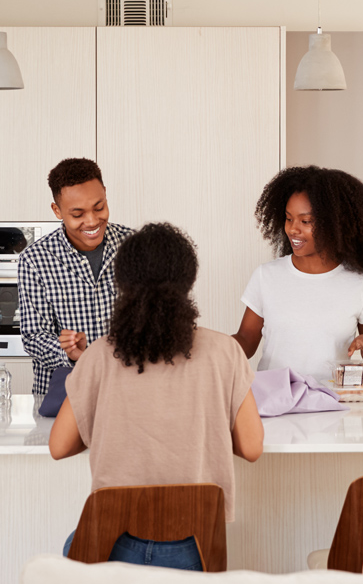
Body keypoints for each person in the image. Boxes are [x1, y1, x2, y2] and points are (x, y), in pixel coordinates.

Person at [49, 222, 264, 569]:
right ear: (188, 281)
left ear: (122, 282)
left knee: (69, 546)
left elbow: (59, 446)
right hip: (192, 552)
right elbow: (252, 448)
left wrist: (105, 430)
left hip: (109, 549)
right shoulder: (225, 351)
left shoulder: (100, 354)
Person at [233, 165, 363, 381]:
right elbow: (246, 341)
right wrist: (215, 346)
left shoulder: (361, 284)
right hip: (276, 399)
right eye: (288, 218)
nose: (293, 229)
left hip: (332, 401)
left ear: (335, 225)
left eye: (305, 221)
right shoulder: (266, 276)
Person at [18, 158, 132, 395]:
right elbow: (34, 336)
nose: (92, 221)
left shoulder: (134, 246)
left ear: (106, 196)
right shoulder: (35, 260)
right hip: (65, 394)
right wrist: (68, 352)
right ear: (57, 211)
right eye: (78, 214)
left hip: (126, 392)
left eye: (99, 207)